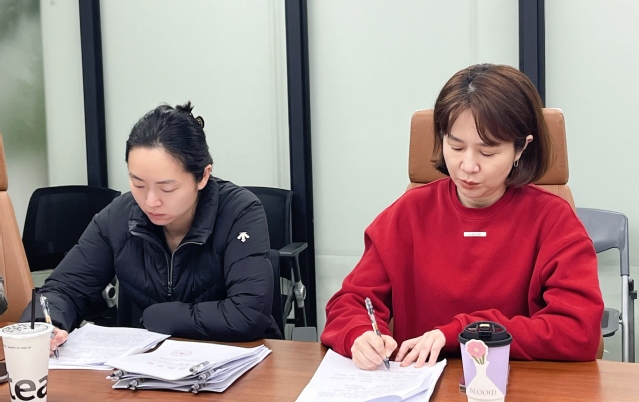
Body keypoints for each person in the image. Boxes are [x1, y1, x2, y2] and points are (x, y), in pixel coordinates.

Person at [320, 64, 604, 370]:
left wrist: (465, 333)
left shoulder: (553, 220)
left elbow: (578, 330)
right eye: (455, 146)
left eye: (487, 152)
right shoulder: (408, 212)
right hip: (419, 381)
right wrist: (359, 333)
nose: (468, 166)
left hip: (513, 382)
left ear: (521, 148)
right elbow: (351, 303)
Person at [20, 101, 282, 353]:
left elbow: (247, 314)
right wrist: (46, 325)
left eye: (167, 188)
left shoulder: (239, 211)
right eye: (138, 184)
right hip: (148, 362)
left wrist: (160, 317)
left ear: (203, 176)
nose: (150, 201)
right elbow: (64, 288)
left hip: (238, 359)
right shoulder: (118, 216)